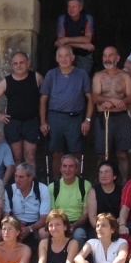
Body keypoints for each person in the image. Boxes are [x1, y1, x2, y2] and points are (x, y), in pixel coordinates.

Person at [39, 45, 93, 179]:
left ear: (73, 57)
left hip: (75, 118)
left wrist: (87, 120)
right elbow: (43, 100)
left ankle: (77, 183)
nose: (64, 59)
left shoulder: (81, 74)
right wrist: (43, 122)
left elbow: (90, 99)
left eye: (67, 56)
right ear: (56, 59)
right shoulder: (51, 74)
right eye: (60, 56)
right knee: (56, 153)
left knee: (77, 153)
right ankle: (56, 183)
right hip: (55, 117)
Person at [0, 51, 43, 168]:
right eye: (15, 63)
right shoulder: (6, 81)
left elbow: (45, 98)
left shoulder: (37, 78)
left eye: (21, 62)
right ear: (12, 65)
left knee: (30, 156)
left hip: (31, 122)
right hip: (13, 123)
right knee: (16, 156)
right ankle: (17, 180)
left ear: (28, 63)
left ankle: (31, 180)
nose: (19, 66)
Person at [92, 45, 131, 179]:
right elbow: (95, 97)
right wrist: (112, 100)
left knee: (122, 153)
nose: (107, 59)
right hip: (103, 117)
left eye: (110, 55)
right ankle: (101, 182)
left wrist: (115, 103)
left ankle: (124, 184)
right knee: (102, 154)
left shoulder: (125, 76)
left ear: (117, 58)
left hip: (121, 117)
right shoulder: (98, 76)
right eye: (105, 56)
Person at [44, 154, 91, 242]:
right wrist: (61, 226)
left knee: (79, 235)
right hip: (59, 222)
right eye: (64, 166)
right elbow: (52, 212)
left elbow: (85, 214)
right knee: (44, 233)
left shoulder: (85, 185)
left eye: (71, 166)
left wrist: (74, 225)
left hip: (78, 223)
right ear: (60, 168)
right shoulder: (53, 187)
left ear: (76, 169)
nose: (67, 169)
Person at [6, 162, 50, 246]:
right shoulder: (10, 190)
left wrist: (30, 228)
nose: (17, 180)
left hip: (36, 224)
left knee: (44, 233)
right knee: (0, 233)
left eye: (21, 177)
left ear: (30, 178)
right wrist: (17, 226)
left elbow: (44, 218)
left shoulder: (42, 189)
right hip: (16, 223)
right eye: (16, 176)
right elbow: (6, 215)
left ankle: (42, 254)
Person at [55, 0, 95, 74]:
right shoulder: (62, 19)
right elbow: (60, 42)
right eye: (69, 7)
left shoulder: (87, 18)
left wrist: (66, 40)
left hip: (84, 55)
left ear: (80, 8)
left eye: (74, 6)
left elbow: (87, 39)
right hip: (66, 54)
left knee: (83, 77)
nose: (71, 9)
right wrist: (82, 45)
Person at [86, 160, 122, 229]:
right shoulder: (93, 192)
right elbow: (92, 216)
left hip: (116, 227)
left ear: (114, 176)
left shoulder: (121, 191)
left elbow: (123, 215)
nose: (103, 175)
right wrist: (100, 229)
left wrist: (113, 228)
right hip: (97, 228)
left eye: (106, 172)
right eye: (101, 172)